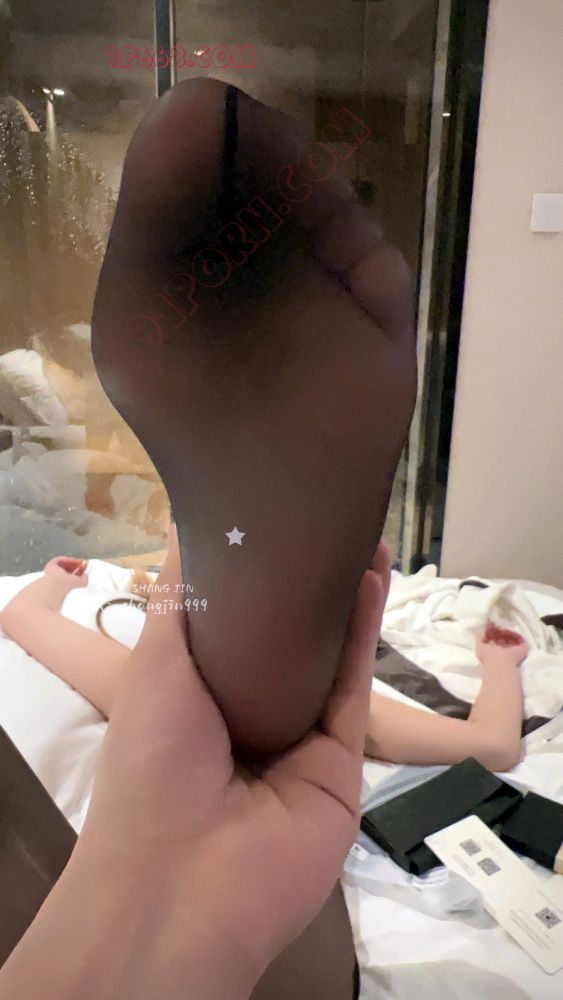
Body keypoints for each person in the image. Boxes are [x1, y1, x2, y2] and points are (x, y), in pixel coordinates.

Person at [0, 533, 384, 1000]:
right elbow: (24, 615)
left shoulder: (169, 617)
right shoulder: (137, 622)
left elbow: (24, 615)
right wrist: (58, 582)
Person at [0, 527, 528, 775]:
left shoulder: (151, 688)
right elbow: (495, 746)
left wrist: (58, 581)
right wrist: (501, 663)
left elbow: (24, 615)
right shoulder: (323, 704)